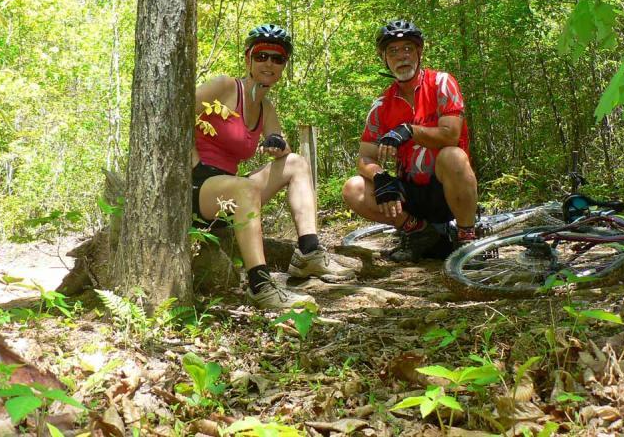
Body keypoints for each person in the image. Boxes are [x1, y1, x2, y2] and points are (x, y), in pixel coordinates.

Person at [192, 24, 354, 309]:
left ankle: (308, 252)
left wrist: (277, 143)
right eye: (262, 56)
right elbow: (174, 114)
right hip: (195, 187)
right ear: (248, 59)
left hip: (229, 191)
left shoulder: (266, 107)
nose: (269, 63)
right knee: (242, 189)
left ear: (283, 66)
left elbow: (281, 143)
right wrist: (191, 164)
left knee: (296, 163)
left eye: (278, 58)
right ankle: (260, 285)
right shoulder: (225, 87)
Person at [342, 20, 478, 261]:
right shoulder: (382, 104)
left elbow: (451, 134)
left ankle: (467, 238)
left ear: (419, 52)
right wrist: (380, 177)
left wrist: (409, 130)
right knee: (354, 188)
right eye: (393, 51)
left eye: (407, 48)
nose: (401, 57)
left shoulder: (441, 83)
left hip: (446, 187)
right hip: (409, 193)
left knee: (453, 155)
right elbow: (365, 156)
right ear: (384, 59)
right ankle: (418, 232)